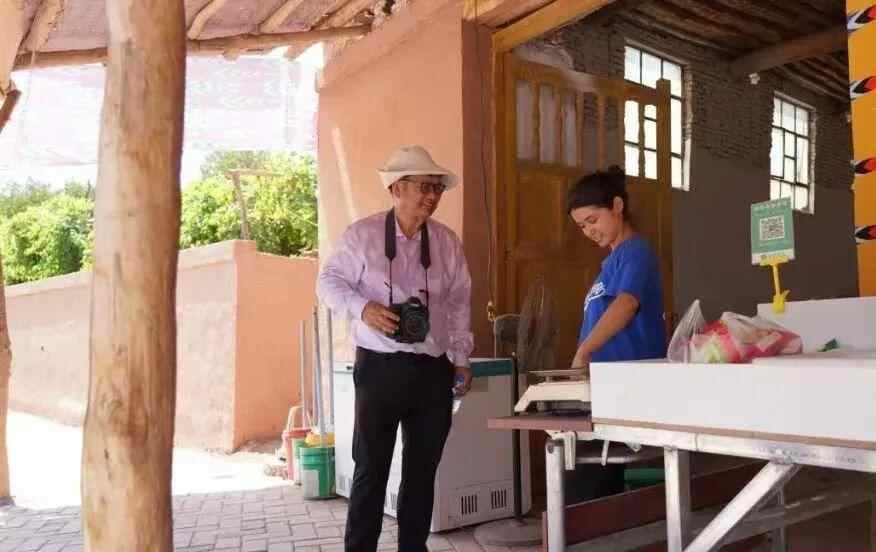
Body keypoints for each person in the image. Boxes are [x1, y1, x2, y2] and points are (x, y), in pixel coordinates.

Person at [317, 145, 473, 552]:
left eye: (437, 188)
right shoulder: (363, 235)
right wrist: (363, 308)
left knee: (423, 473)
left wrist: (461, 359)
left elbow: (459, 303)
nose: (432, 196)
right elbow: (328, 282)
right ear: (396, 188)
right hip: (378, 368)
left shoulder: (446, 242)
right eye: (424, 187)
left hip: (433, 369)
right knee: (371, 470)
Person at [566, 166, 666, 497]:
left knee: (588, 485)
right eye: (582, 226)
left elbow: (626, 305)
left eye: (593, 220)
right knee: (591, 481)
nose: (588, 231)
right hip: (605, 389)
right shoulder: (610, 264)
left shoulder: (636, 251)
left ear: (617, 206)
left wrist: (583, 351)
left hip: (627, 386)